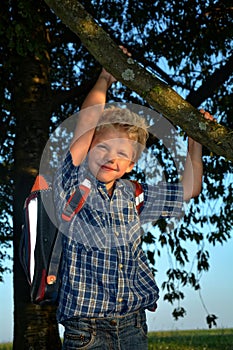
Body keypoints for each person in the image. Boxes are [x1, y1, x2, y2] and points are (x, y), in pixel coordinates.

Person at [53, 55, 214, 349]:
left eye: (122, 154)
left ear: (131, 165)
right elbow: (88, 119)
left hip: (132, 326)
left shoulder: (135, 193)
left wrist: (195, 141)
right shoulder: (75, 182)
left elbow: (190, 188)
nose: (110, 157)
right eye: (102, 147)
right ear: (88, 147)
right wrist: (105, 78)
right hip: (86, 329)